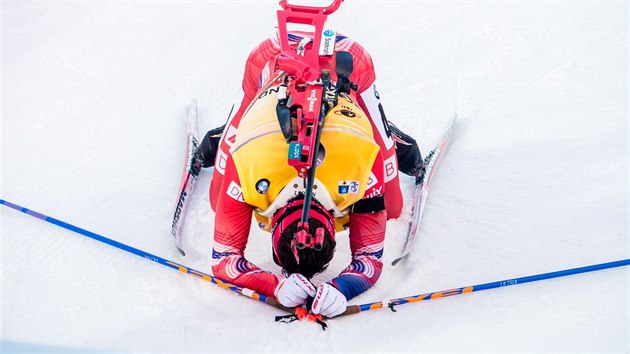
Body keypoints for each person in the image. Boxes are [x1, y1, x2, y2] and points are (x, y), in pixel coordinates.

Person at [196, 30, 423, 318]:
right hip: (306, 62)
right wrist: (341, 288)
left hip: (287, 59)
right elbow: (369, 260)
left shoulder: (249, 171)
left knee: (393, 205)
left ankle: (395, 140)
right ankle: (220, 137)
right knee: (390, 205)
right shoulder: (359, 168)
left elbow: (225, 261)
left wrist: (275, 286)